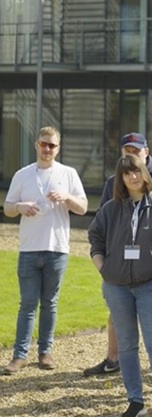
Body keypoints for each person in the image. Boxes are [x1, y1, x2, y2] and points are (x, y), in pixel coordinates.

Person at [88, 154, 152, 417]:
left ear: (145, 173)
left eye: (136, 171)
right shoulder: (110, 209)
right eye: (126, 173)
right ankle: (136, 401)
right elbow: (94, 239)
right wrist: (102, 267)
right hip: (116, 286)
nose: (133, 177)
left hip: (150, 285)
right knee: (128, 345)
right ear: (121, 179)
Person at [84, 132, 152, 377]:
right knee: (116, 316)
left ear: (146, 151)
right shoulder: (112, 183)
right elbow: (102, 224)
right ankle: (113, 360)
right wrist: (104, 265)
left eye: (136, 150)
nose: (132, 155)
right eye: (127, 151)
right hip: (119, 267)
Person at [1, 126, 88, 375]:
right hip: (29, 247)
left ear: (58, 148)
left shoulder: (68, 174)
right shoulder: (22, 174)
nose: (47, 149)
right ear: (36, 145)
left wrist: (66, 197)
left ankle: (45, 352)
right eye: (43, 144)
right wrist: (20, 206)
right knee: (27, 304)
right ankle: (19, 356)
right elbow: (6, 208)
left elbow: (83, 207)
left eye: (52, 145)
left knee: (50, 303)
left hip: (57, 247)